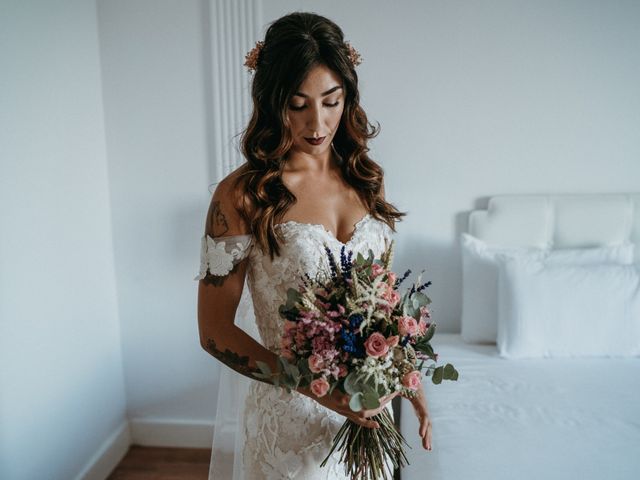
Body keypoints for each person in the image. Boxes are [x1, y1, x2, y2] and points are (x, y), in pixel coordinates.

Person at [195, 11, 432, 480]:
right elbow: (214, 332)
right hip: (289, 427)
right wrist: (316, 390)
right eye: (297, 104)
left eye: (331, 101)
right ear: (271, 101)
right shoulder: (243, 195)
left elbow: (381, 300)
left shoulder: (366, 180)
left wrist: (408, 380)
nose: (317, 122)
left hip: (368, 416)